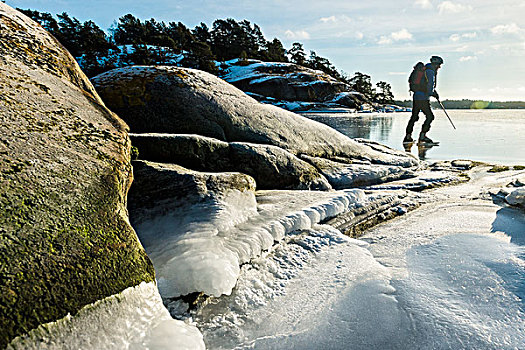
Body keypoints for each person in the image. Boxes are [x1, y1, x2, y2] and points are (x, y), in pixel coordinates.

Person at [403, 56, 444, 144]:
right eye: (439, 65)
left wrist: (433, 92)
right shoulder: (430, 71)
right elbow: (430, 84)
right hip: (423, 98)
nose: (439, 67)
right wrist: (432, 93)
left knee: (414, 117)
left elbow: (427, 84)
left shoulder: (425, 70)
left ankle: (408, 136)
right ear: (435, 64)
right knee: (430, 116)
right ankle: (422, 136)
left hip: (416, 96)